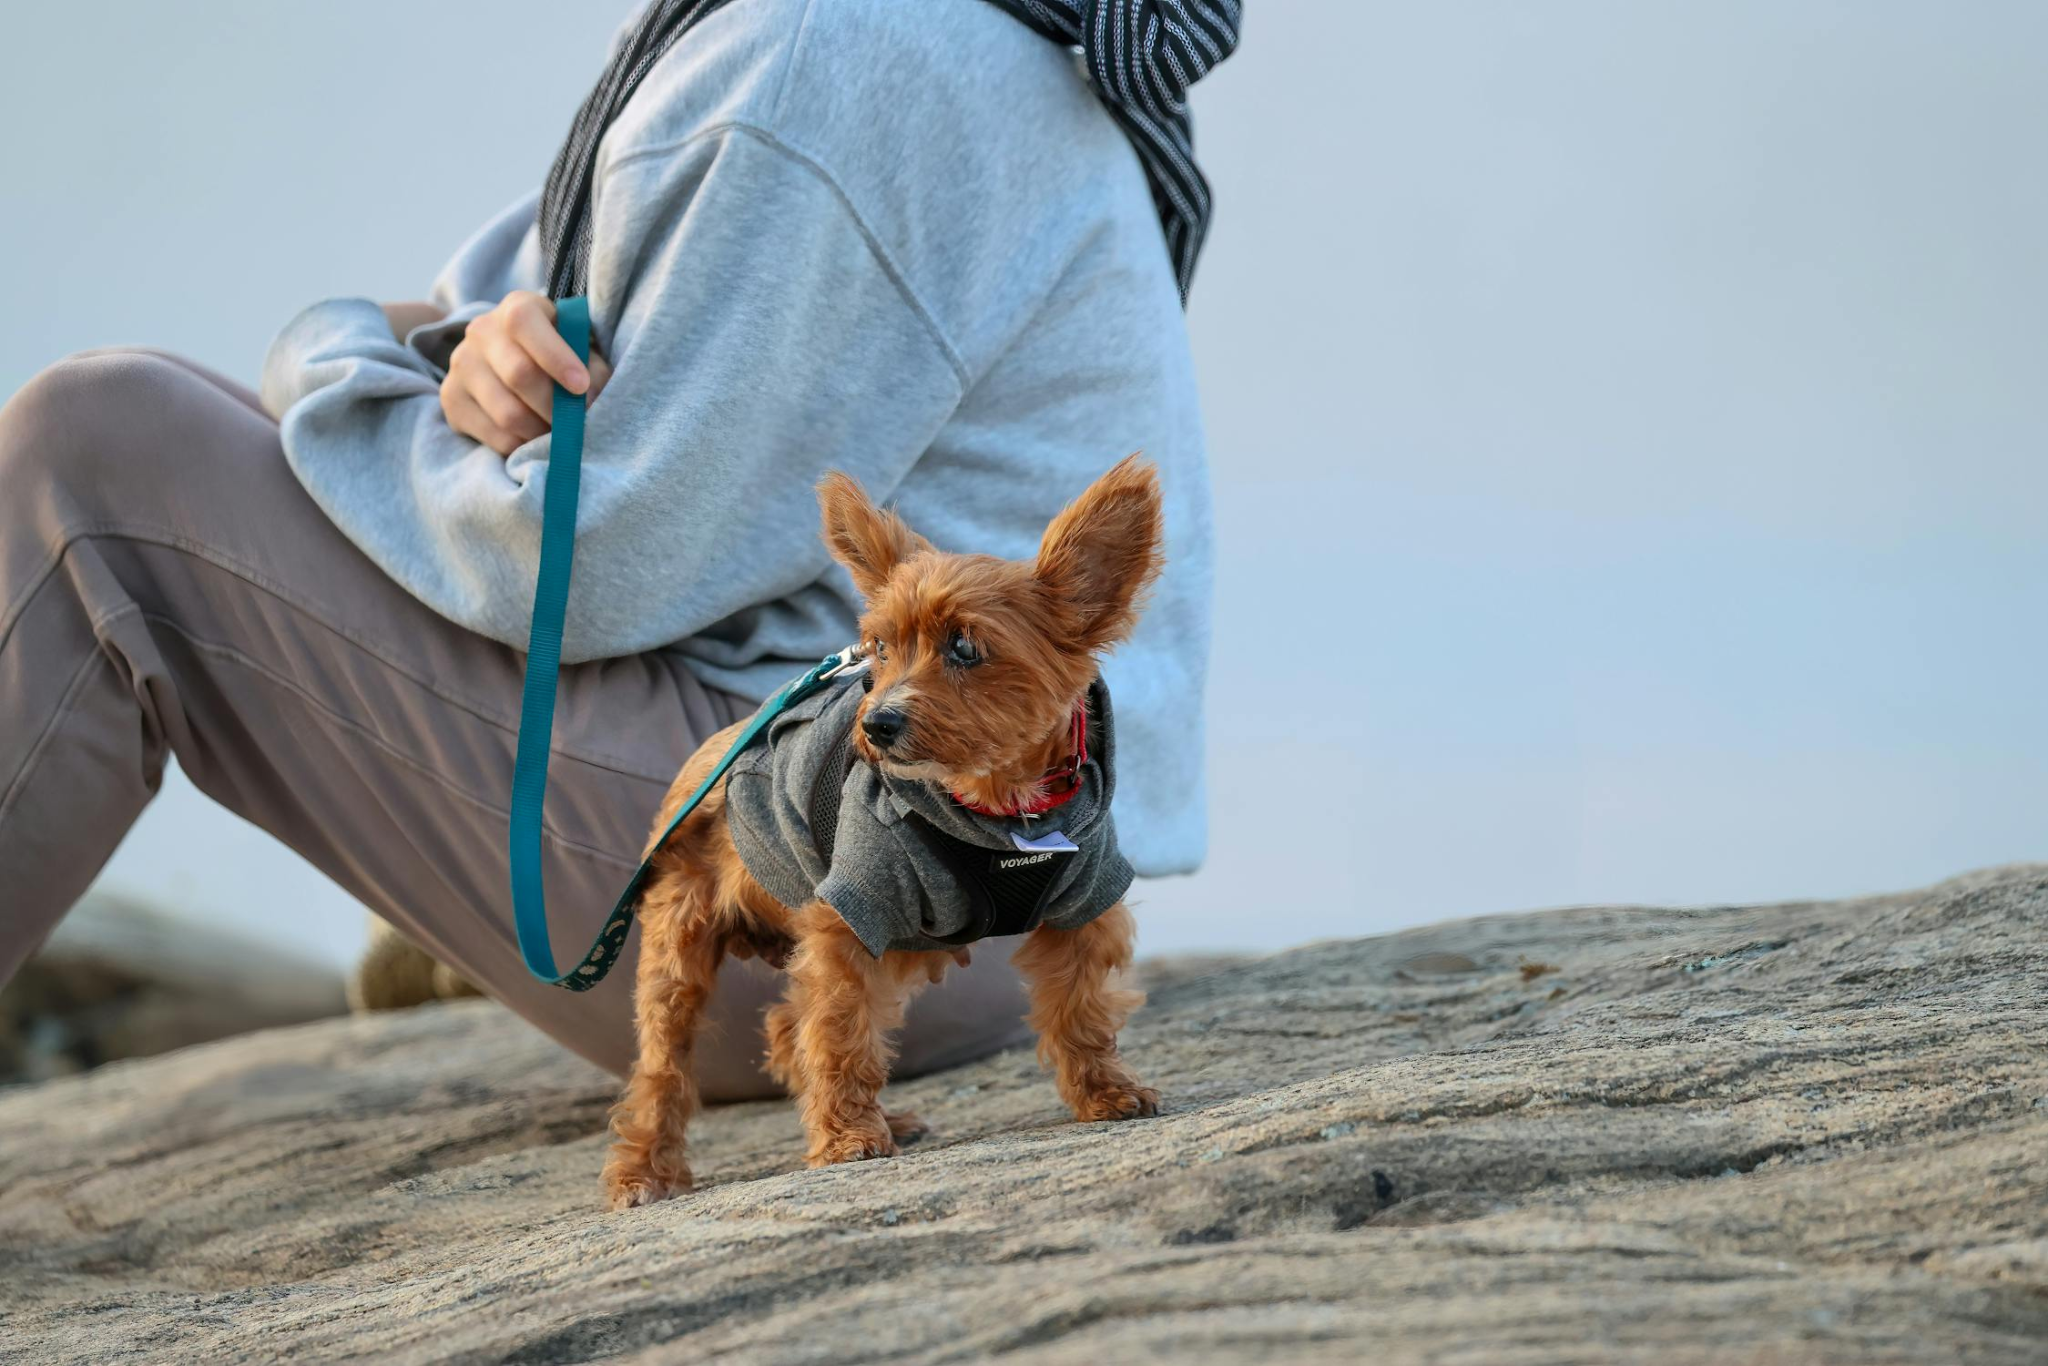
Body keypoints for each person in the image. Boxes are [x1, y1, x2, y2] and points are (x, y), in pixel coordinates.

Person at [0, 0, 1236, 1096]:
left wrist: (328, 354)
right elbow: (480, 312)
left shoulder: (840, 51)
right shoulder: (932, 35)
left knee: (92, 452)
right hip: (1015, 889)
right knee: (153, 417)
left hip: (857, 883)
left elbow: (573, 567)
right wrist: (463, 362)